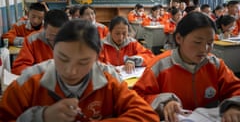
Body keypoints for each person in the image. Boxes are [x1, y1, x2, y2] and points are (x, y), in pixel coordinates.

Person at [0, 19, 160, 122]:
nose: (71, 71)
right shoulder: (29, 81)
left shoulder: (109, 80)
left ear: (97, 57)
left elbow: (147, 116)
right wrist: (40, 117)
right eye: (62, 58)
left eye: (83, 62)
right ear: (53, 49)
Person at [133, 12, 240, 122]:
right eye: (197, 42)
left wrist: (234, 106)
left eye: (210, 42)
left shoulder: (215, 65)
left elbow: (236, 89)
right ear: (179, 38)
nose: (204, 49)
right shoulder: (159, 66)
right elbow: (137, 97)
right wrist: (163, 102)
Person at [11, 9, 69, 75]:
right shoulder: (32, 40)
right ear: (44, 28)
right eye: (52, 36)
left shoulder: (75, 41)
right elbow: (18, 68)